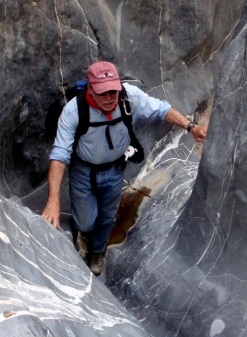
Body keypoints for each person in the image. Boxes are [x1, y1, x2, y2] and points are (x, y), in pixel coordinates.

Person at [42, 61, 207, 275]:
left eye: (113, 90)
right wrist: (53, 200)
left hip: (114, 170)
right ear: (91, 89)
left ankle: (98, 250)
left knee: (108, 216)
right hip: (83, 173)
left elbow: (161, 109)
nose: (110, 97)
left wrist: (191, 127)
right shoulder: (75, 111)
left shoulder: (128, 97)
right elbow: (59, 154)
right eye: (104, 93)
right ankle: (84, 231)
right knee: (85, 221)